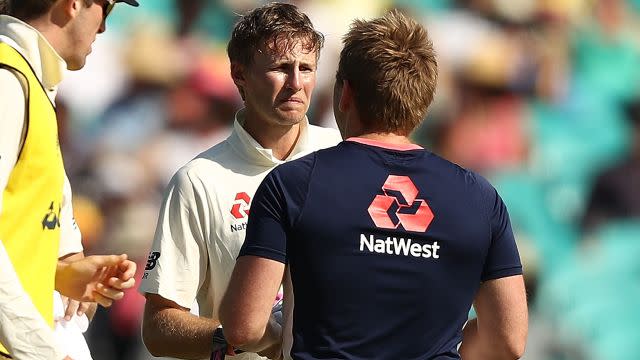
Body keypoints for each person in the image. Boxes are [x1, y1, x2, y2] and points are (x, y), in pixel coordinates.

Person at [219, 10, 528, 360]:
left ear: (346, 93)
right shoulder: (480, 198)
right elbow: (509, 341)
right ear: (422, 102)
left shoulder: (292, 184)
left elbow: (243, 327)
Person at [139, 3, 341, 360]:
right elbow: (158, 327)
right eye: (281, 68)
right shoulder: (198, 180)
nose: (296, 83)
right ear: (240, 75)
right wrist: (236, 335)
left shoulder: (343, 154)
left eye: (306, 68)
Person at [0, 0, 139, 359]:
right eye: (106, 9)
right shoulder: (7, 79)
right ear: (73, 4)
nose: (105, 27)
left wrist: (62, 274)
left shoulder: (27, 78)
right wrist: (39, 350)